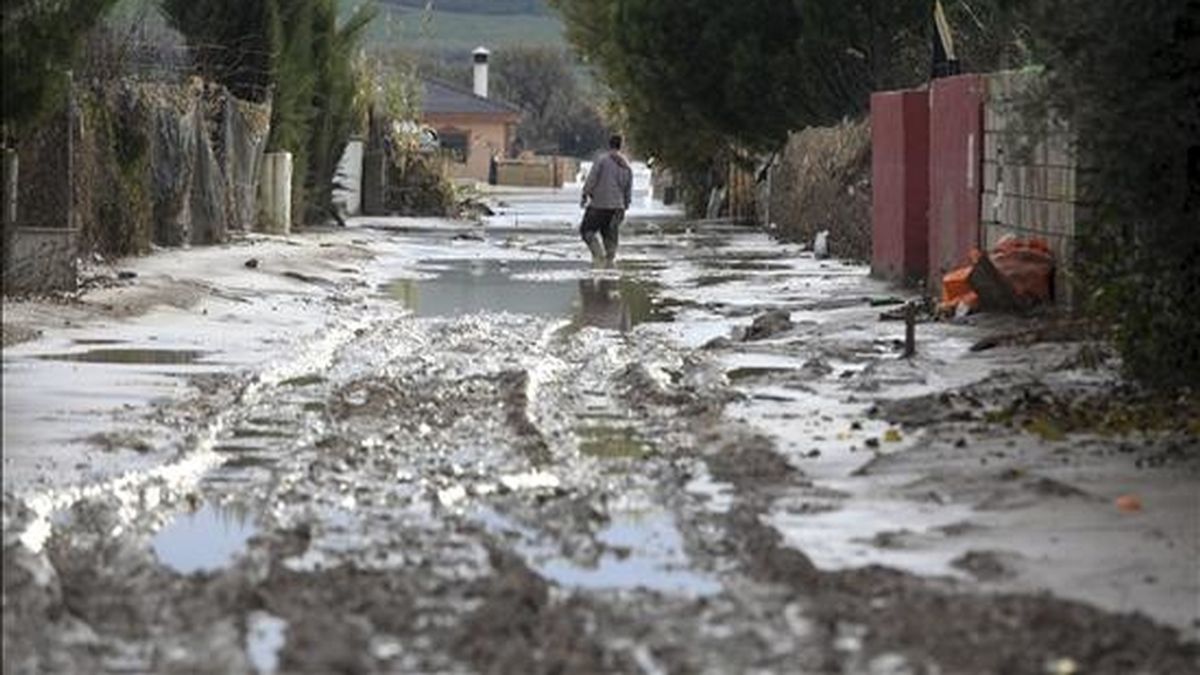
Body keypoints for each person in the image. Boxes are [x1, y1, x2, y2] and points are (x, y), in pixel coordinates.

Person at [579, 134, 633, 267]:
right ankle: (610, 264)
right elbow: (628, 188)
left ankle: (598, 254)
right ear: (620, 146)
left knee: (586, 230)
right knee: (610, 235)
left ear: (609, 145)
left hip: (599, 205)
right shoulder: (626, 166)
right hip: (617, 208)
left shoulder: (601, 160)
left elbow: (591, 180)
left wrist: (585, 194)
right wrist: (625, 205)